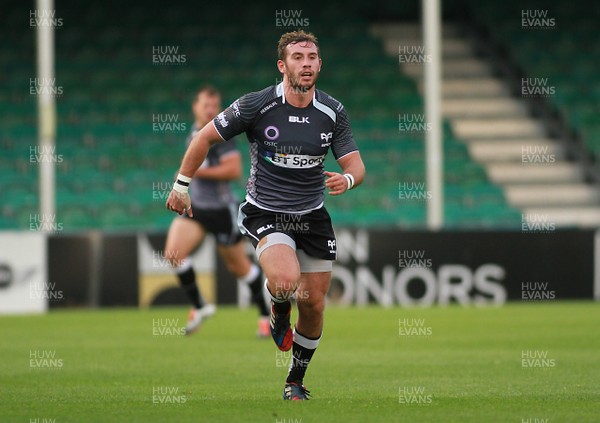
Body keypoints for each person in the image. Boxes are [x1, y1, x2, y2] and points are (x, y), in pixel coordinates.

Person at [166, 31, 365, 400]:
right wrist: (181, 186)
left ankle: (295, 381)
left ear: (320, 64)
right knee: (287, 282)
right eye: (297, 57)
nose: (306, 63)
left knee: (314, 303)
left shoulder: (333, 111)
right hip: (266, 212)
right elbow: (203, 139)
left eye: (312, 57)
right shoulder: (256, 105)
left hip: (313, 215)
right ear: (282, 65)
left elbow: (356, 164)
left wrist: (348, 178)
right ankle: (276, 307)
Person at [164, 86, 270, 337]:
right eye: (206, 105)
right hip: (198, 209)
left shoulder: (221, 136)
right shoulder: (194, 133)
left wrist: (194, 172)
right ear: (195, 107)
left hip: (223, 211)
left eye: (215, 106)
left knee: (239, 268)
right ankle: (200, 306)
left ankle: (266, 316)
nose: (211, 110)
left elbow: (233, 171)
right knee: (173, 253)